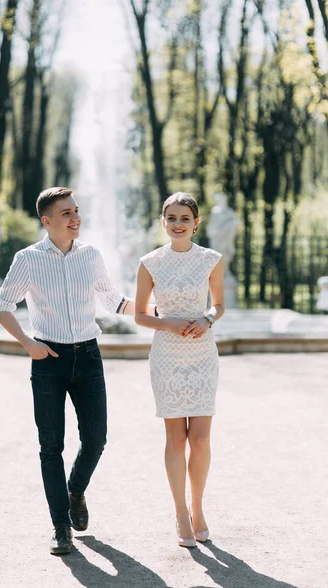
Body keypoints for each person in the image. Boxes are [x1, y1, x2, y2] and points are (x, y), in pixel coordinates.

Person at [0, 187, 156, 555]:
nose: (75, 217)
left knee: (96, 438)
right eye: (66, 213)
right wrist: (29, 345)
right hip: (47, 360)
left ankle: (75, 490)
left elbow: (115, 302)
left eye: (77, 211)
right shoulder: (28, 259)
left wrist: (157, 311)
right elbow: (2, 306)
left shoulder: (91, 256)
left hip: (88, 357)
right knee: (51, 447)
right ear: (47, 221)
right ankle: (60, 527)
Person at [135, 192, 224, 548]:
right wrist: (169, 323)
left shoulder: (211, 259)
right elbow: (141, 315)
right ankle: (180, 512)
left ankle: (198, 508)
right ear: (163, 222)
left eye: (184, 218)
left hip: (203, 353)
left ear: (196, 223)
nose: (177, 224)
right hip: (168, 355)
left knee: (200, 440)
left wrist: (207, 319)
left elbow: (219, 305)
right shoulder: (150, 262)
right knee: (176, 439)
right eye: (171, 218)